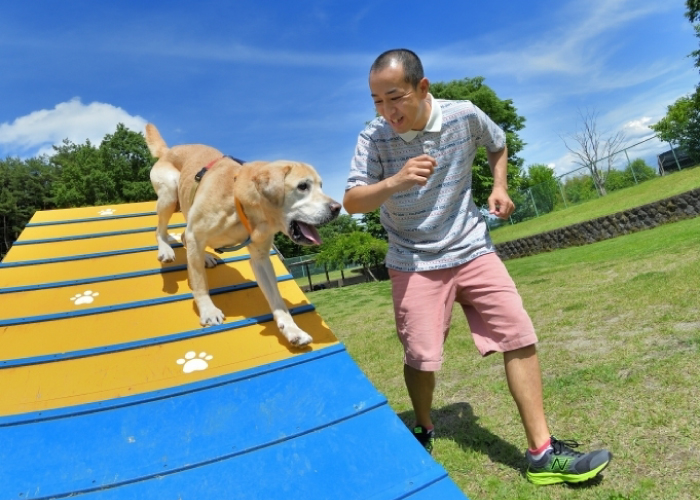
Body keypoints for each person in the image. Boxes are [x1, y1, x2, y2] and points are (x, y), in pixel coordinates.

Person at [343, 48, 612, 486]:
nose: (387, 111)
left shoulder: (463, 115)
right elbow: (353, 200)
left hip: (471, 247)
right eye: (377, 101)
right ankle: (424, 426)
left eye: (395, 98)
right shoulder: (373, 137)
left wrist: (499, 186)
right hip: (412, 260)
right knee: (422, 357)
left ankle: (542, 453)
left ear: (422, 87)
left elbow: (498, 142)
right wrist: (395, 181)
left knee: (518, 333)